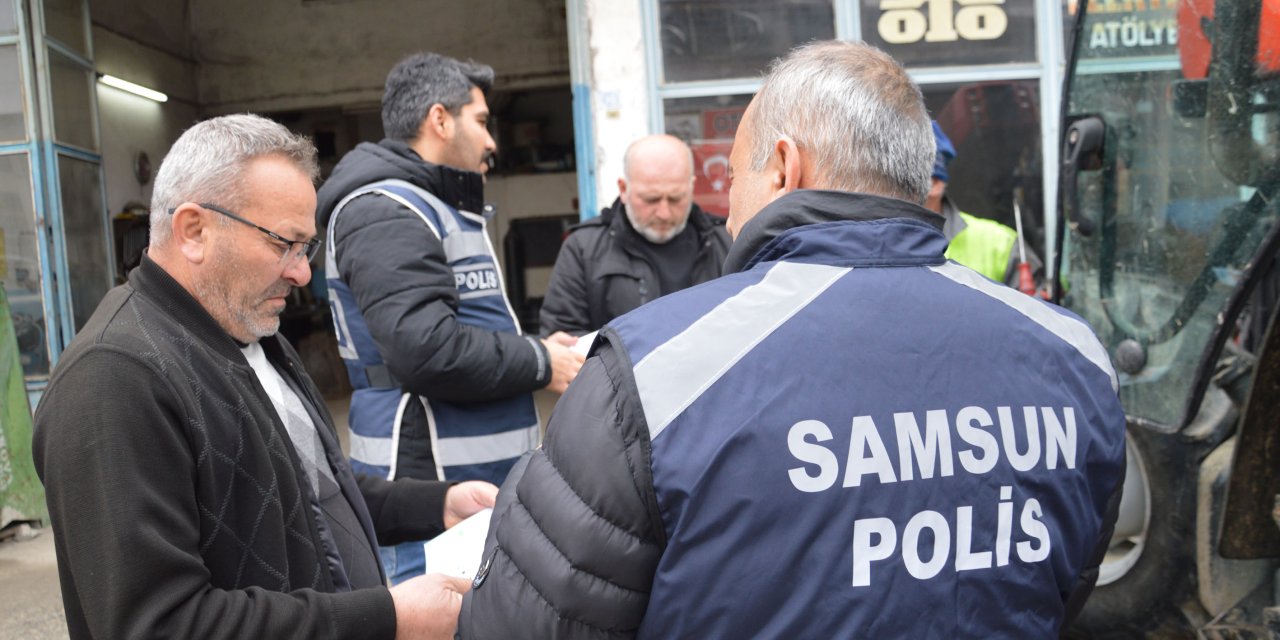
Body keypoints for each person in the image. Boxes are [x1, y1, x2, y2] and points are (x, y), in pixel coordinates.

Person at [458, 40, 1126, 638]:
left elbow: (533, 620)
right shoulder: (1075, 357)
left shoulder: (650, 375)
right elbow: (1065, 584)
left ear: (783, 167)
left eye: (735, 180)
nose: (727, 211)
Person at [33, 114, 493, 640]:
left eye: (306, 248)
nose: (301, 274)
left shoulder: (249, 333)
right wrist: (386, 618)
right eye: (283, 244)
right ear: (194, 230)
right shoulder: (115, 380)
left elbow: (304, 486)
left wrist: (435, 503)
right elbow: (159, 625)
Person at [316, 52, 583, 583]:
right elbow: (425, 349)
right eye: (481, 122)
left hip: (469, 487)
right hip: (426, 483)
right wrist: (539, 361)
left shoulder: (431, 207)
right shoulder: (385, 211)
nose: (492, 143)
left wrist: (534, 346)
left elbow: (457, 329)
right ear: (440, 119)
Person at [538, 134, 731, 336]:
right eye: (651, 199)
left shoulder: (726, 241)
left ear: (691, 187)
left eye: (676, 199)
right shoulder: (583, 249)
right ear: (623, 189)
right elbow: (563, 341)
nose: (664, 213)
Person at [928, 121, 1043, 288]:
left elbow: (1039, 310)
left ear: (935, 183)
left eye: (895, 176)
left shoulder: (1001, 246)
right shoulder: (877, 246)